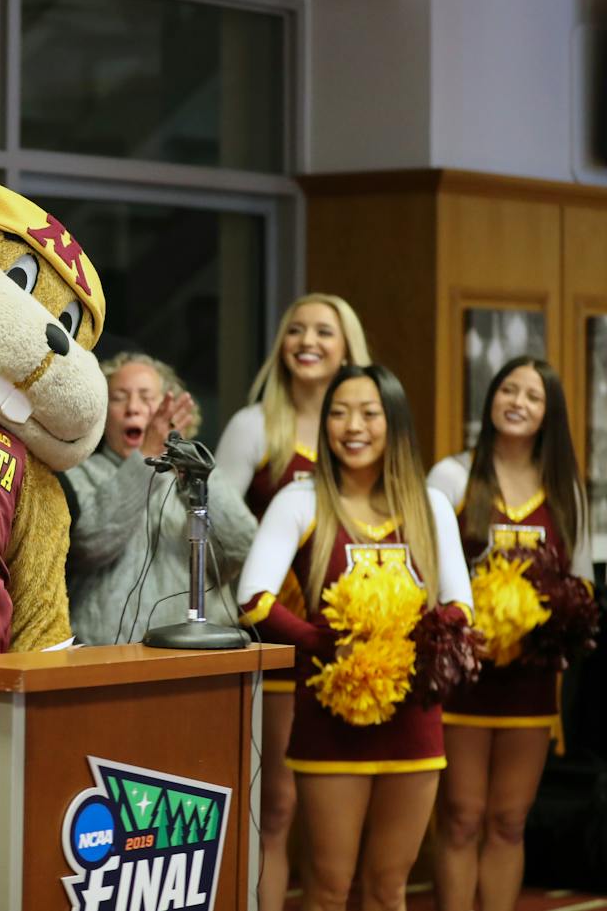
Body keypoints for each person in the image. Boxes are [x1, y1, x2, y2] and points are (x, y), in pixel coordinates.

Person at [236, 364, 472, 911]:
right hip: (328, 721)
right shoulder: (301, 499)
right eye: (339, 413)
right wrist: (325, 644)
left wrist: (405, 642)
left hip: (413, 722)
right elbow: (254, 599)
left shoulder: (430, 504)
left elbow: (462, 606)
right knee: (328, 889)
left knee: (389, 890)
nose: (352, 425)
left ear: (395, 424)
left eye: (369, 413)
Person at [214, 293, 370, 911]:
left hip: (355, 646)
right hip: (276, 640)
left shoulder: (363, 431)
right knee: (277, 805)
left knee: (336, 811)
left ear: (348, 347)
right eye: (295, 330)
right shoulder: (257, 424)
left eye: (324, 331)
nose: (307, 340)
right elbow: (212, 520)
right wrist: (277, 555)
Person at [428, 357, 591, 911]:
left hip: (531, 680)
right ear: (491, 398)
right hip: (465, 678)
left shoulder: (565, 487)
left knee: (508, 820)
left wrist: (546, 625)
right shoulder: (451, 476)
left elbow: (583, 583)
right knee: (462, 816)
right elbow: (424, 571)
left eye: (533, 395)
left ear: (550, 413)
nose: (517, 401)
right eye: (507, 389)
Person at [65, 352, 257, 645]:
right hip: (107, 660)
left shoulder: (194, 475)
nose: (133, 408)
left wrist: (189, 470)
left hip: (196, 656)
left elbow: (241, 546)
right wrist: (146, 457)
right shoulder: (79, 472)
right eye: (119, 397)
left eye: (146, 397)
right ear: (101, 412)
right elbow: (89, 544)